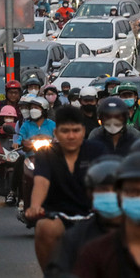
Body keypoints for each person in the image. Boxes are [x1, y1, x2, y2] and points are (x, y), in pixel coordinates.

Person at [26, 106, 104, 269]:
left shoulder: (97, 151)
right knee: (44, 228)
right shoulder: (45, 154)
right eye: (65, 131)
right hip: (57, 215)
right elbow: (42, 182)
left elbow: (107, 182)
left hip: (93, 216)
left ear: (83, 131)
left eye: (76, 130)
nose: (71, 136)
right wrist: (35, 206)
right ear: (56, 133)